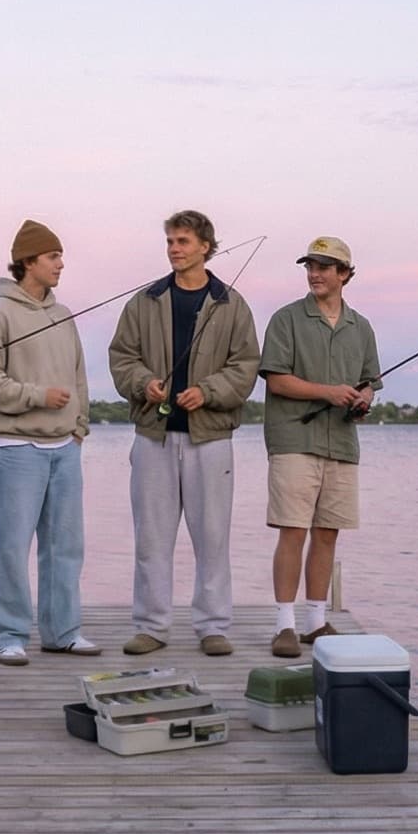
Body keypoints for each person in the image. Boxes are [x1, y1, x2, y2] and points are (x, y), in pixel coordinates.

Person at [107, 209, 260, 657]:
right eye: (170, 241)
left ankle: (213, 626)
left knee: (213, 538)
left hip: (210, 439)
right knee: (151, 538)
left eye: (183, 242)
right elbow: (122, 357)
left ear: (205, 247)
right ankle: (151, 626)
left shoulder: (232, 304)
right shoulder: (143, 301)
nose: (174, 249)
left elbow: (246, 367)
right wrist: (144, 384)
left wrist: (207, 392)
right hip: (152, 436)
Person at [0, 219, 99, 666]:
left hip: (65, 449)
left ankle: (63, 632)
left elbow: (79, 377)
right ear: (28, 262)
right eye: (53, 256)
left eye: (60, 256)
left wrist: (79, 427)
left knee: (65, 547)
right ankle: (7, 635)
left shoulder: (63, 316)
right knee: (9, 548)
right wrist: (37, 397)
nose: (61, 264)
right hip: (15, 449)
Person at [257, 235, 381, 659]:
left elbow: (370, 383)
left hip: (342, 444)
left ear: (345, 274)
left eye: (324, 267)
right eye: (310, 266)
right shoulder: (286, 319)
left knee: (327, 533)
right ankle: (284, 625)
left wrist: (362, 401)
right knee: (292, 530)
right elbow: (277, 380)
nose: (314, 274)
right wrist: (328, 392)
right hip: (293, 440)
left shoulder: (361, 327)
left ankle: (315, 621)